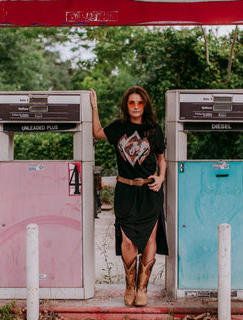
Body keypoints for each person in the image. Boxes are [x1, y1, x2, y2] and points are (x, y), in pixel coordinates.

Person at [90, 86, 168, 307]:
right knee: (127, 239)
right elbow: (96, 132)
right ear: (126, 105)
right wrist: (95, 107)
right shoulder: (118, 128)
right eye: (131, 103)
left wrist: (161, 178)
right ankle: (129, 285)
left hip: (150, 191)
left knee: (150, 239)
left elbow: (162, 159)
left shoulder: (154, 130)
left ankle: (142, 288)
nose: (135, 107)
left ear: (145, 105)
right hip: (125, 191)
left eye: (139, 102)